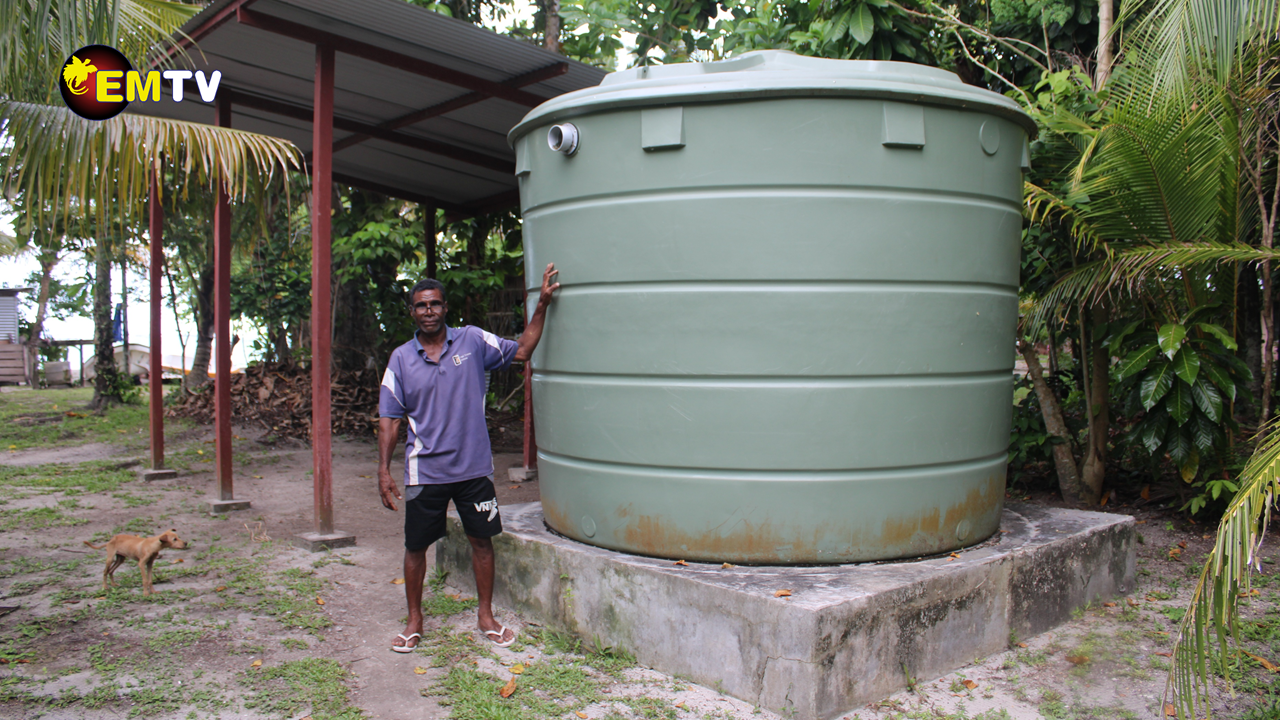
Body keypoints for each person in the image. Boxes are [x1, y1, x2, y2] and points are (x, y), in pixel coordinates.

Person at [377, 263, 560, 652]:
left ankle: (486, 616)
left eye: (435, 304)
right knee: (415, 547)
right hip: (424, 471)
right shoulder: (400, 359)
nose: (428, 311)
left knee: (482, 542)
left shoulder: (472, 341)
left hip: (472, 469)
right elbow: (389, 420)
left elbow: (522, 350)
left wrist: (542, 304)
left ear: (446, 308)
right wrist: (383, 470)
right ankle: (414, 621)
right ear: (412, 312)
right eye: (421, 305)